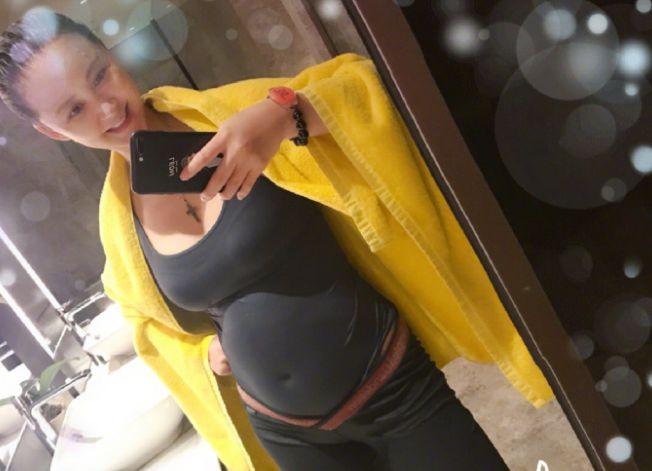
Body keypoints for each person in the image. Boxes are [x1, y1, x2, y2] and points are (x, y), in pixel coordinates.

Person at [0, 10, 511, 470]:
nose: (107, 108)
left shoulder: (232, 114)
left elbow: (368, 89)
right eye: (74, 111)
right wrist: (206, 354)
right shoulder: (118, 225)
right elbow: (147, 325)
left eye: (99, 75)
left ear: (110, 53)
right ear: (53, 132)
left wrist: (286, 115)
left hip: (395, 388)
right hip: (288, 436)